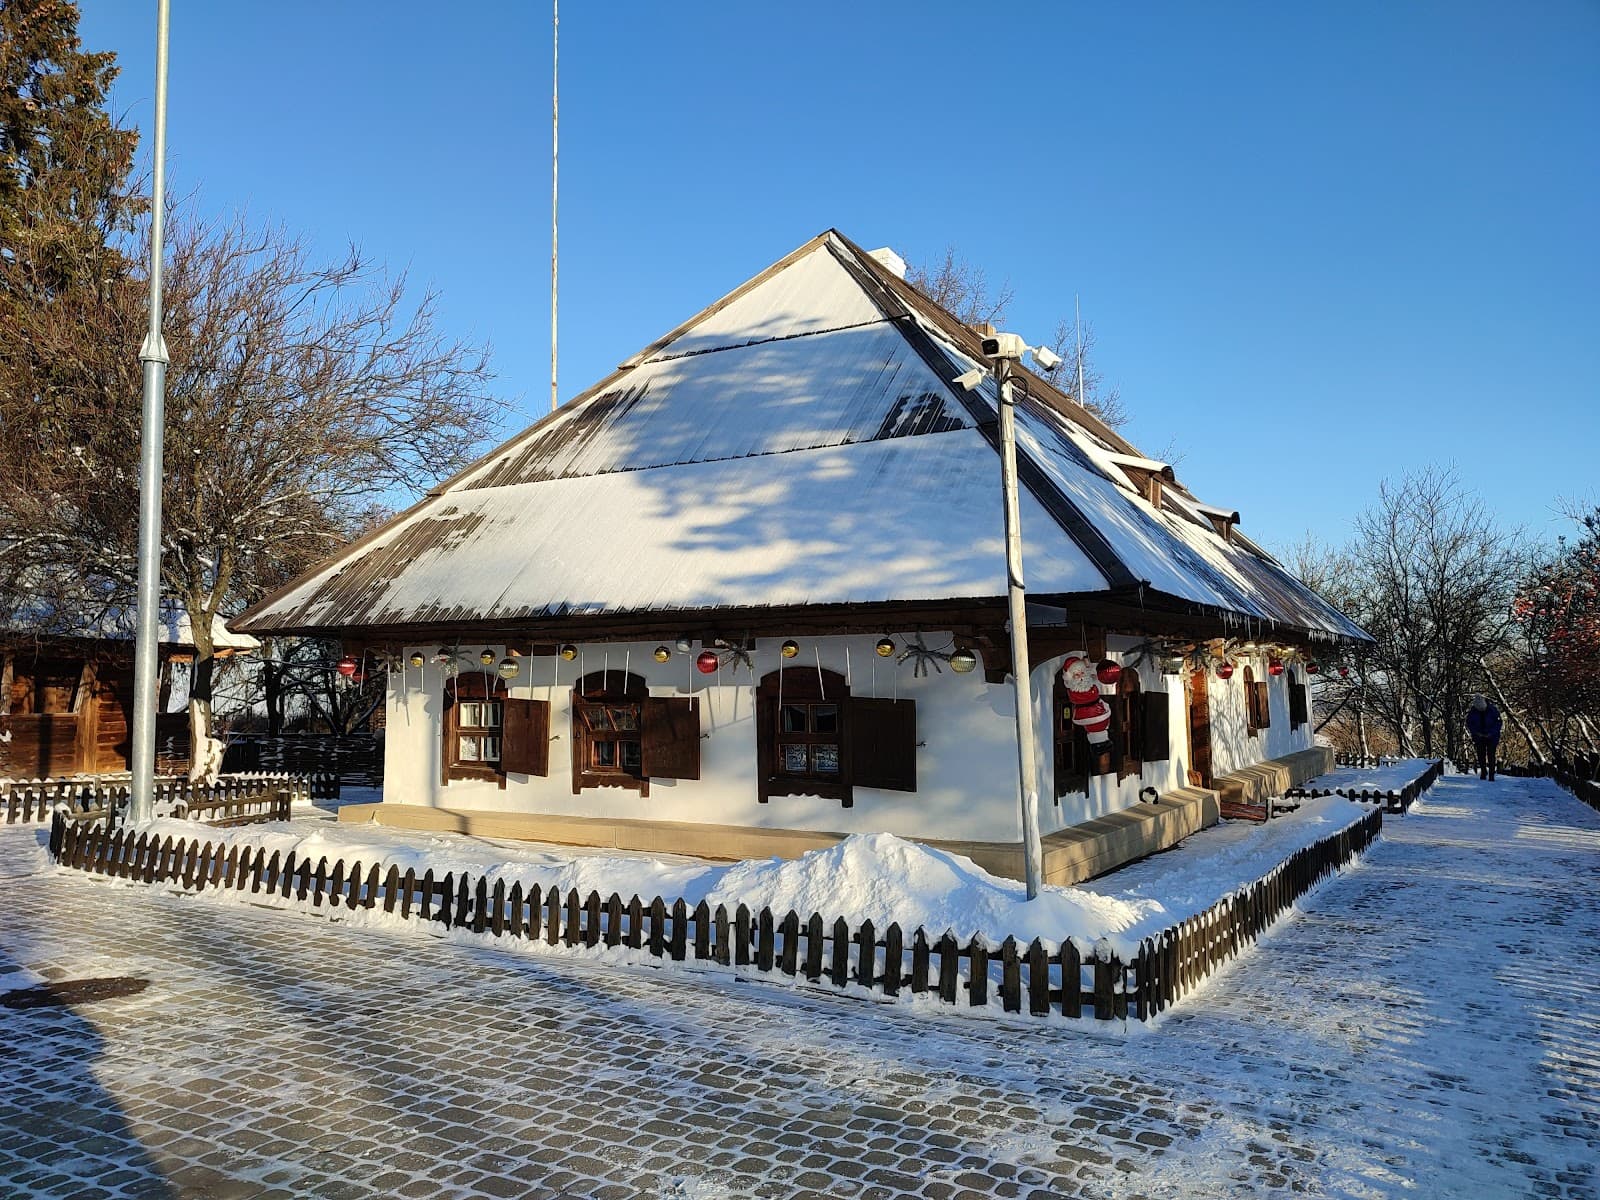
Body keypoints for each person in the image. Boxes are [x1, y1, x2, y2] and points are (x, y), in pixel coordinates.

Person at [1466, 694, 1502, 781]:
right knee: (1481, 754)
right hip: (1479, 736)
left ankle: (1491, 774)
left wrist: (1491, 733)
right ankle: (1483, 771)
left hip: (1492, 736)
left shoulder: (1492, 710)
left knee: (1491, 754)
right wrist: (1476, 733)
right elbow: (1470, 724)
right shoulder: (1473, 712)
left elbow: (1498, 723)